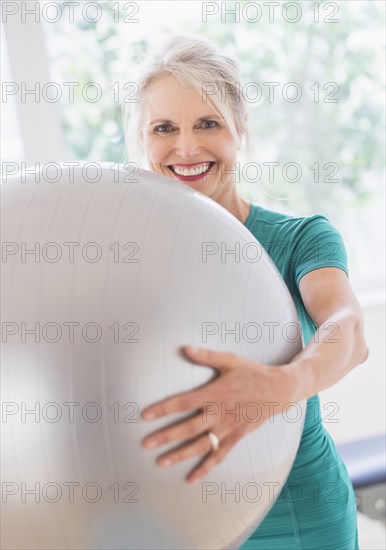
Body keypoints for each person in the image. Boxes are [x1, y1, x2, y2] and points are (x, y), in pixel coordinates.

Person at [124, 35, 369, 549]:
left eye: (207, 123)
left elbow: (346, 330)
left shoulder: (301, 239)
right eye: (164, 128)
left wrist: (279, 388)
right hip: (177, 517)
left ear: (240, 132)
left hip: (298, 514)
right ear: (141, 142)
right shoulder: (128, 256)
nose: (186, 148)